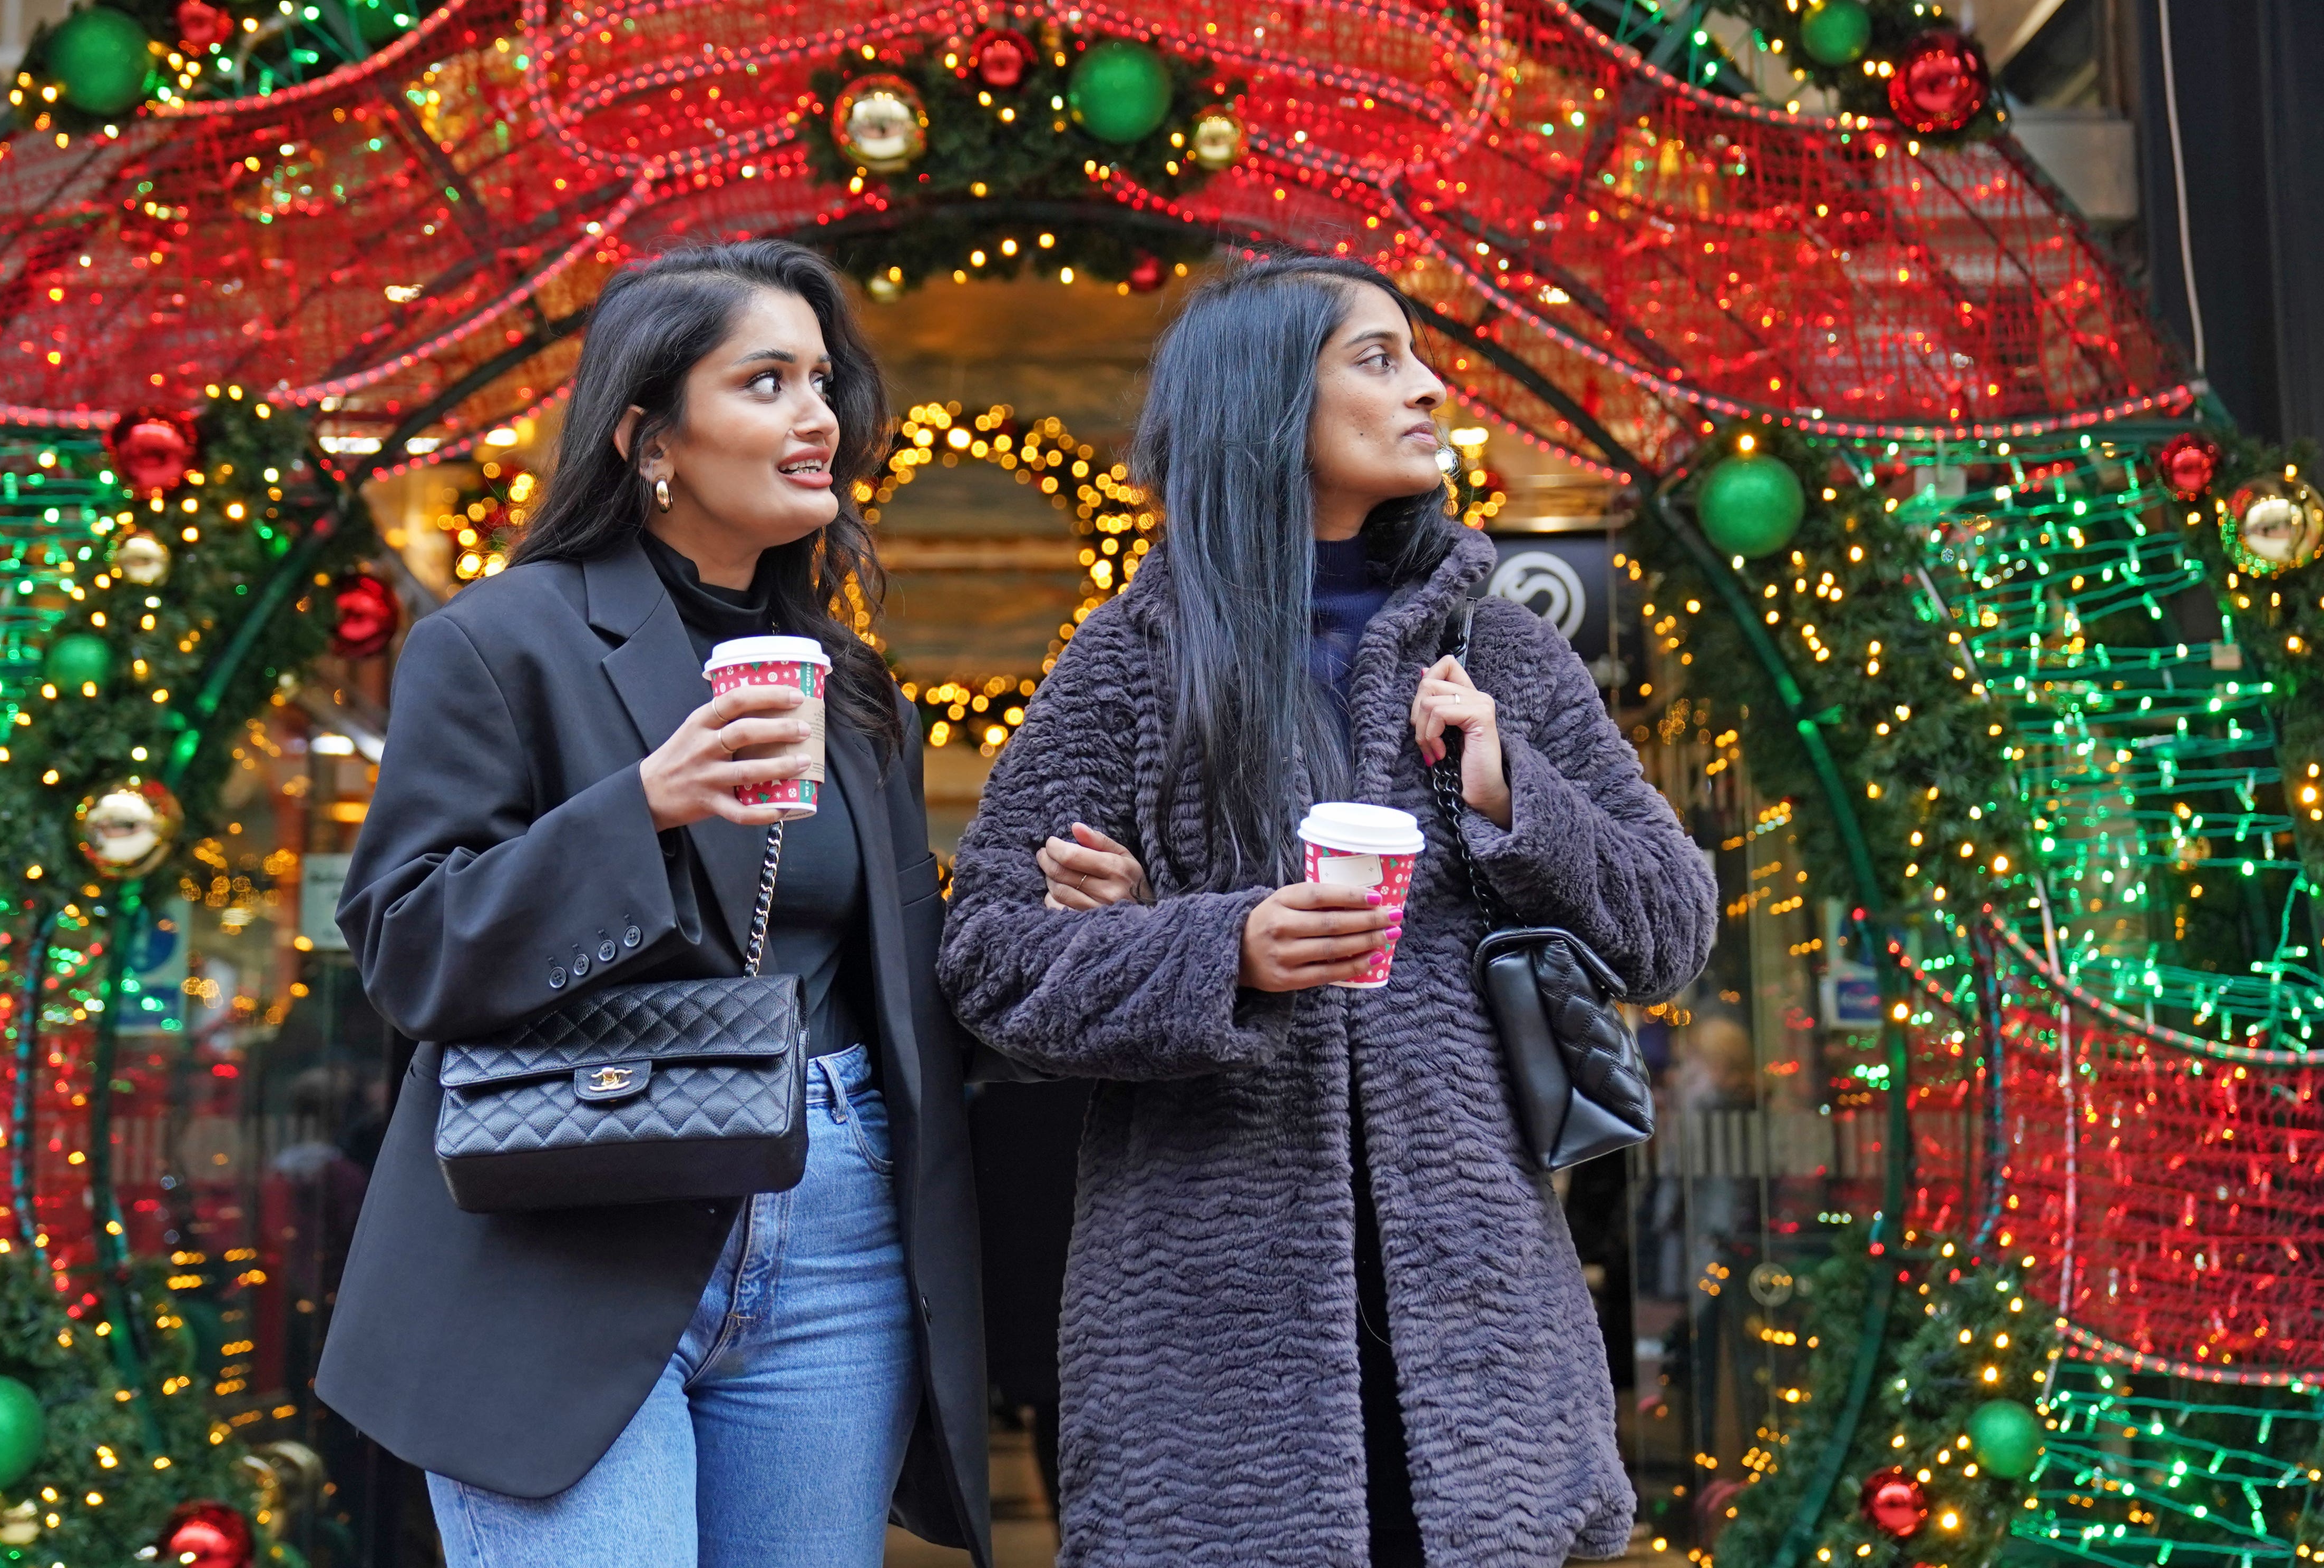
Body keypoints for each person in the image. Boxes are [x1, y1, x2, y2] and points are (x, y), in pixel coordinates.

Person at [938, 254, 1717, 1567]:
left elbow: (1671, 926)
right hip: (1207, 1326)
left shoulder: (1504, 649)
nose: (1427, 386)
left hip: (1477, 1321)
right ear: (1263, 401)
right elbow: (994, 957)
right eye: (1376, 357)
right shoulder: (1133, 658)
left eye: (1416, 356)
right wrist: (1216, 944)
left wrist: (1513, 793)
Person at [319, 240, 990, 1568]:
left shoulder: (851, 689)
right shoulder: (498, 640)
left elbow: (903, 981)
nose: (822, 419)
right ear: (650, 435)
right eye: (768, 381)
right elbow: (406, 947)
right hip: (563, 1227)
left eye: (825, 382)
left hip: (836, 1223)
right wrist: (642, 807)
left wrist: (1088, 918)